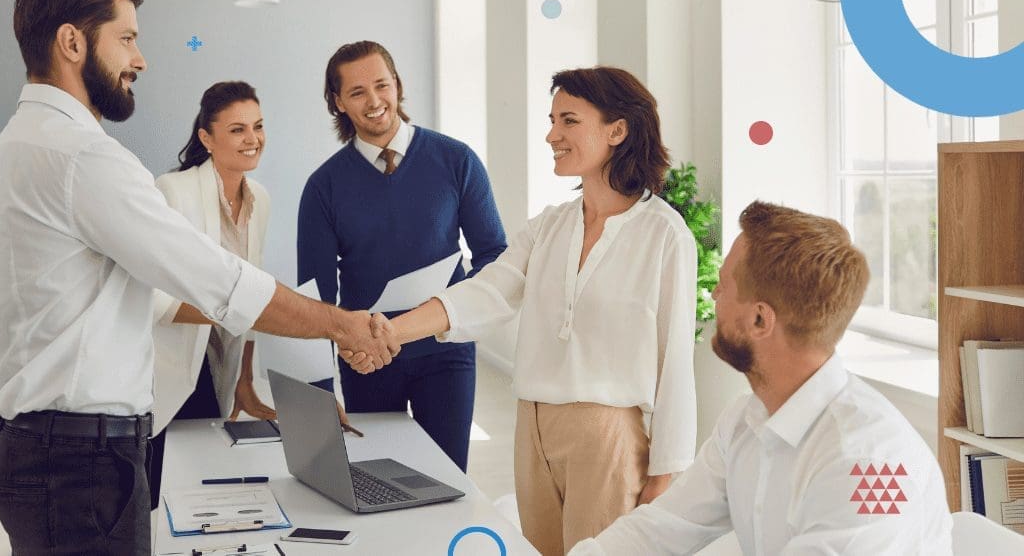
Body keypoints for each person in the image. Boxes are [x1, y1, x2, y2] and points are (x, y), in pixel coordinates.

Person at [0, 0, 396, 556]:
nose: (140, 60)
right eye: (127, 38)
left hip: (32, 448)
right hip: (81, 465)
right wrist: (344, 324)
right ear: (72, 42)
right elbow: (220, 281)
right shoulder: (85, 160)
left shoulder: (3, 153)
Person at [381, 66, 698, 555]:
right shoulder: (551, 225)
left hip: (607, 435)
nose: (552, 135)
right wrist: (389, 331)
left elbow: (674, 360)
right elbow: (485, 292)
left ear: (617, 130)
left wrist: (665, 474)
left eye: (568, 121)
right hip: (533, 427)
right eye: (552, 120)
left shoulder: (664, 233)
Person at [568, 201, 953, 555]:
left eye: (725, 284)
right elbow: (662, 528)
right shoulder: (746, 420)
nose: (714, 294)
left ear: (759, 320)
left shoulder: (869, 464)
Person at [297, 40, 508, 472]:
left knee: (447, 480)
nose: (374, 101)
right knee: (379, 478)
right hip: (366, 359)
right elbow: (315, 297)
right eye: (357, 92)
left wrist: (458, 315)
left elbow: (493, 257)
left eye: (382, 85)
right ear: (338, 102)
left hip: (446, 352)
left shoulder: (456, 161)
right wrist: (320, 391)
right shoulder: (324, 187)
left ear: (398, 86)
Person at [147, 81, 349, 509]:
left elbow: (251, 284)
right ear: (206, 137)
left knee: (205, 475)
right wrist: (241, 313)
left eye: (258, 126)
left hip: (222, 358)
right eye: (237, 129)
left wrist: (243, 381)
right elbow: (158, 301)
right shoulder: (173, 190)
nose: (253, 139)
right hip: (174, 361)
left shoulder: (259, 198)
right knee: (170, 480)